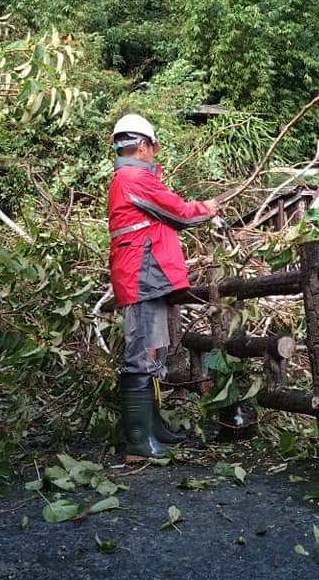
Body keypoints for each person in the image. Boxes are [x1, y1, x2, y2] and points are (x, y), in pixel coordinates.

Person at [107, 114, 220, 461]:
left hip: (149, 275)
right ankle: (139, 443)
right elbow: (179, 212)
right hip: (140, 274)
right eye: (153, 147)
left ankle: (153, 430)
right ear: (142, 145)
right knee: (141, 353)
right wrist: (209, 208)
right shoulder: (133, 178)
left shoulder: (129, 178)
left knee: (154, 351)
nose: (154, 154)